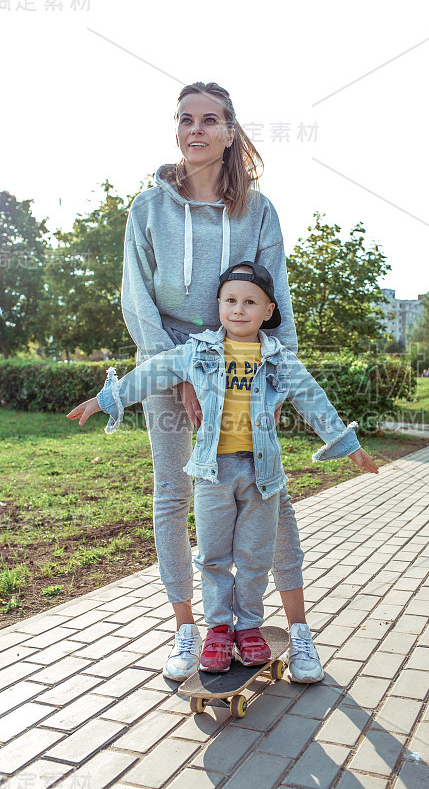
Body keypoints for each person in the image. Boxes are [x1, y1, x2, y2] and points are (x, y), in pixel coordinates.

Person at [107, 80, 330, 683]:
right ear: (175, 130)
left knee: (269, 493)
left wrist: (275, 381)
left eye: (210, 120)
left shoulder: (258, 210)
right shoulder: (147, 210)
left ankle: (299, 631)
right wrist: (178, 369)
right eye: (186, 120)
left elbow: (276, 297)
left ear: (230, 133)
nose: (196, 130)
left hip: (249, 368)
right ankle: (188, 628)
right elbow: (137, 295)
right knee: (173, 495)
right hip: (167, 364)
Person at [67, 263, 379, 673]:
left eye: (250, 302)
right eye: (230, 300)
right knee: (213, 557)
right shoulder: (198, 350)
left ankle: (249, 628)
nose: (238, 309)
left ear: (268, 310)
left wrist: (347, 444)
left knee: (253, 557)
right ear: (218, 306)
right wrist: (106, 399)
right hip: (212, 476)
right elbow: (150, 373)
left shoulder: (279, 359)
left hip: (261, 477)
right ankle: (217, 630)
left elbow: (313, 400)